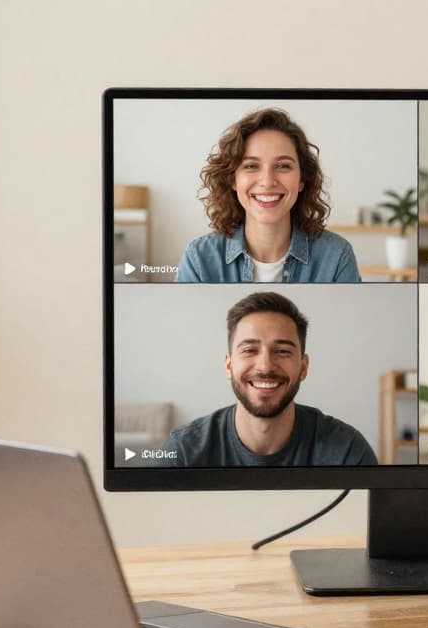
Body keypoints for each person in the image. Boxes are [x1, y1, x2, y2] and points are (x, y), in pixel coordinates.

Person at [160, 292, 376, 466]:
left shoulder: (347, 452)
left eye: (282, 351)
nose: (265, 366)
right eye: (249, 350)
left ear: (303, 367)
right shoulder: (183, 453)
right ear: (229, 365)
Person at [176, 108, 361, 282]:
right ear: (232, 179)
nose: (267, 181)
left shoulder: (337, 257)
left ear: (302, 180)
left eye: (283, 166)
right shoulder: (198, 259)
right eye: (251, 166)